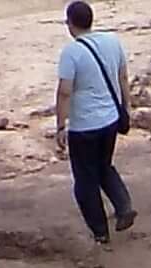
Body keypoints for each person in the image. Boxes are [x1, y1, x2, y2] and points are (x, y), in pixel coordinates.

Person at [52, 1, 135, 248]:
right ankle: (123, 206)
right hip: (110, 119)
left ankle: (100, 233)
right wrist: (126, 107)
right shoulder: (112, 41)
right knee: (103, 166)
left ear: (70, 23)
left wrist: (60, 126)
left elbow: (64, 92)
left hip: (84, 126)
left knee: (85, 181)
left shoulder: (71, 52)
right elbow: (122, 76)